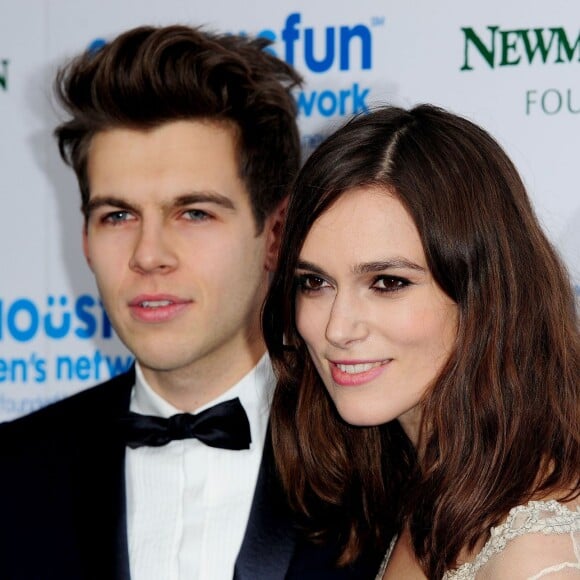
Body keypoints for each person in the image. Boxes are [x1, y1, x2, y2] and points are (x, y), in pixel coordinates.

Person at [0, 25, 382, 580]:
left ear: (275, 234)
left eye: (194, 213)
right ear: (85, 239)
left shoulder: (386, 462)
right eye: (118, 216)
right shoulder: (14, 474)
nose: (149, 255)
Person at [263, 104, 580, 579]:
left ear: (484, 293)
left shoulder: (538, 554)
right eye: (315, 282)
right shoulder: (411, 489)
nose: (336, 328)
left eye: (388, 282)